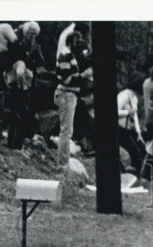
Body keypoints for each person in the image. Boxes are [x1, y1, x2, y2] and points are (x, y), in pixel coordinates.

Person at [54, 29, 90, 169]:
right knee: (66, 131)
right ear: (71, 42)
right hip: (66, 94)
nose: (79, 44)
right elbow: (66, 78)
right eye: (77, 41)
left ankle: (63, 161)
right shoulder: (65, 55)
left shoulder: (69, 55)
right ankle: (62, 164)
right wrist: (83, 76)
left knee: (67, 130)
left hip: (69, 95)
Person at [116, 72, 148, 179]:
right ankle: (139, 175)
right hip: (119, 128)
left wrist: (139, 133)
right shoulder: (124, 96)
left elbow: (135, 116)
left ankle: (138, 173)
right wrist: (127, 112)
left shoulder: (134, 97)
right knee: (134, 151)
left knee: (139, 150)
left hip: (128, 128)